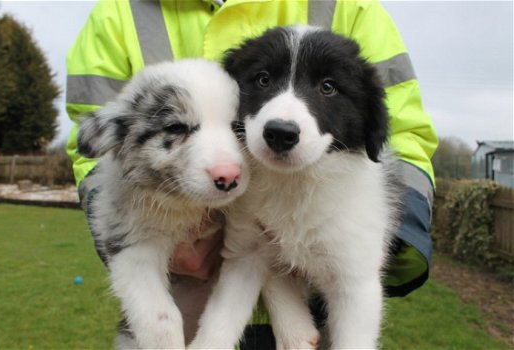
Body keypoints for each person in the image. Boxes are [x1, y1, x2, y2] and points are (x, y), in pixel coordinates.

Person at [66, 0, 438, 347]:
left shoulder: (350, 7)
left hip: (319, 319)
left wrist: (388, 236)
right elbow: (97, 143)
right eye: (262, 81)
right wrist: (132, 238)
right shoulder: (120, 11)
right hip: (176, 299)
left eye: (326, 87)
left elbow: (407, 136)